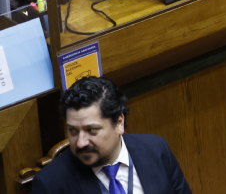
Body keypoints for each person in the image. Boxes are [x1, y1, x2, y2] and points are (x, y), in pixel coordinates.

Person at [31, 76, 191, 193]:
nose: (80, 143)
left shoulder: (155, 149)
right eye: (73, 131)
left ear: (119, 123)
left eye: (91, 130)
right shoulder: (50, 184)